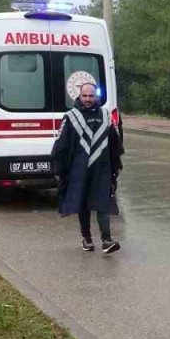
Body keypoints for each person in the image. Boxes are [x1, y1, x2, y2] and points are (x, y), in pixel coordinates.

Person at [52, 82, 123, 253]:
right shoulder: (71, 117)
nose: (88, 99)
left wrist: (117, 165)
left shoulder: (105, 116)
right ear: (79, 96)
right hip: (79, 170)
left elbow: (115, 143)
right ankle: (87, 238)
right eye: (85, 96)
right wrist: (59, 170)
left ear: (96, 96)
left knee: (103, 203)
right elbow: (61, 146)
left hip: (102, 169)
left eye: (91, 96)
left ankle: (106, 240)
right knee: (83, 204)